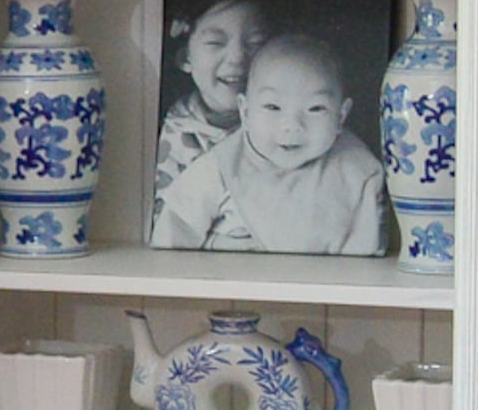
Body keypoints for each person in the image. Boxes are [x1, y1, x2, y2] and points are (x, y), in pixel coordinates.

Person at [151, 32, 386, 254]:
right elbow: (176, 226)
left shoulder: (359, 171)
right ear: (245, 111)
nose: (292, 125)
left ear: (341, 115)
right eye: (273, 107)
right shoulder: (221, 166)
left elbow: (365, 251)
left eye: (316, 108)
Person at [148, 0, 265, 203]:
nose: (238, 57)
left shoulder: (283, 120)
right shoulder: (176, 131)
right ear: (185, 58)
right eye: (215, 43)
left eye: (255, 42)